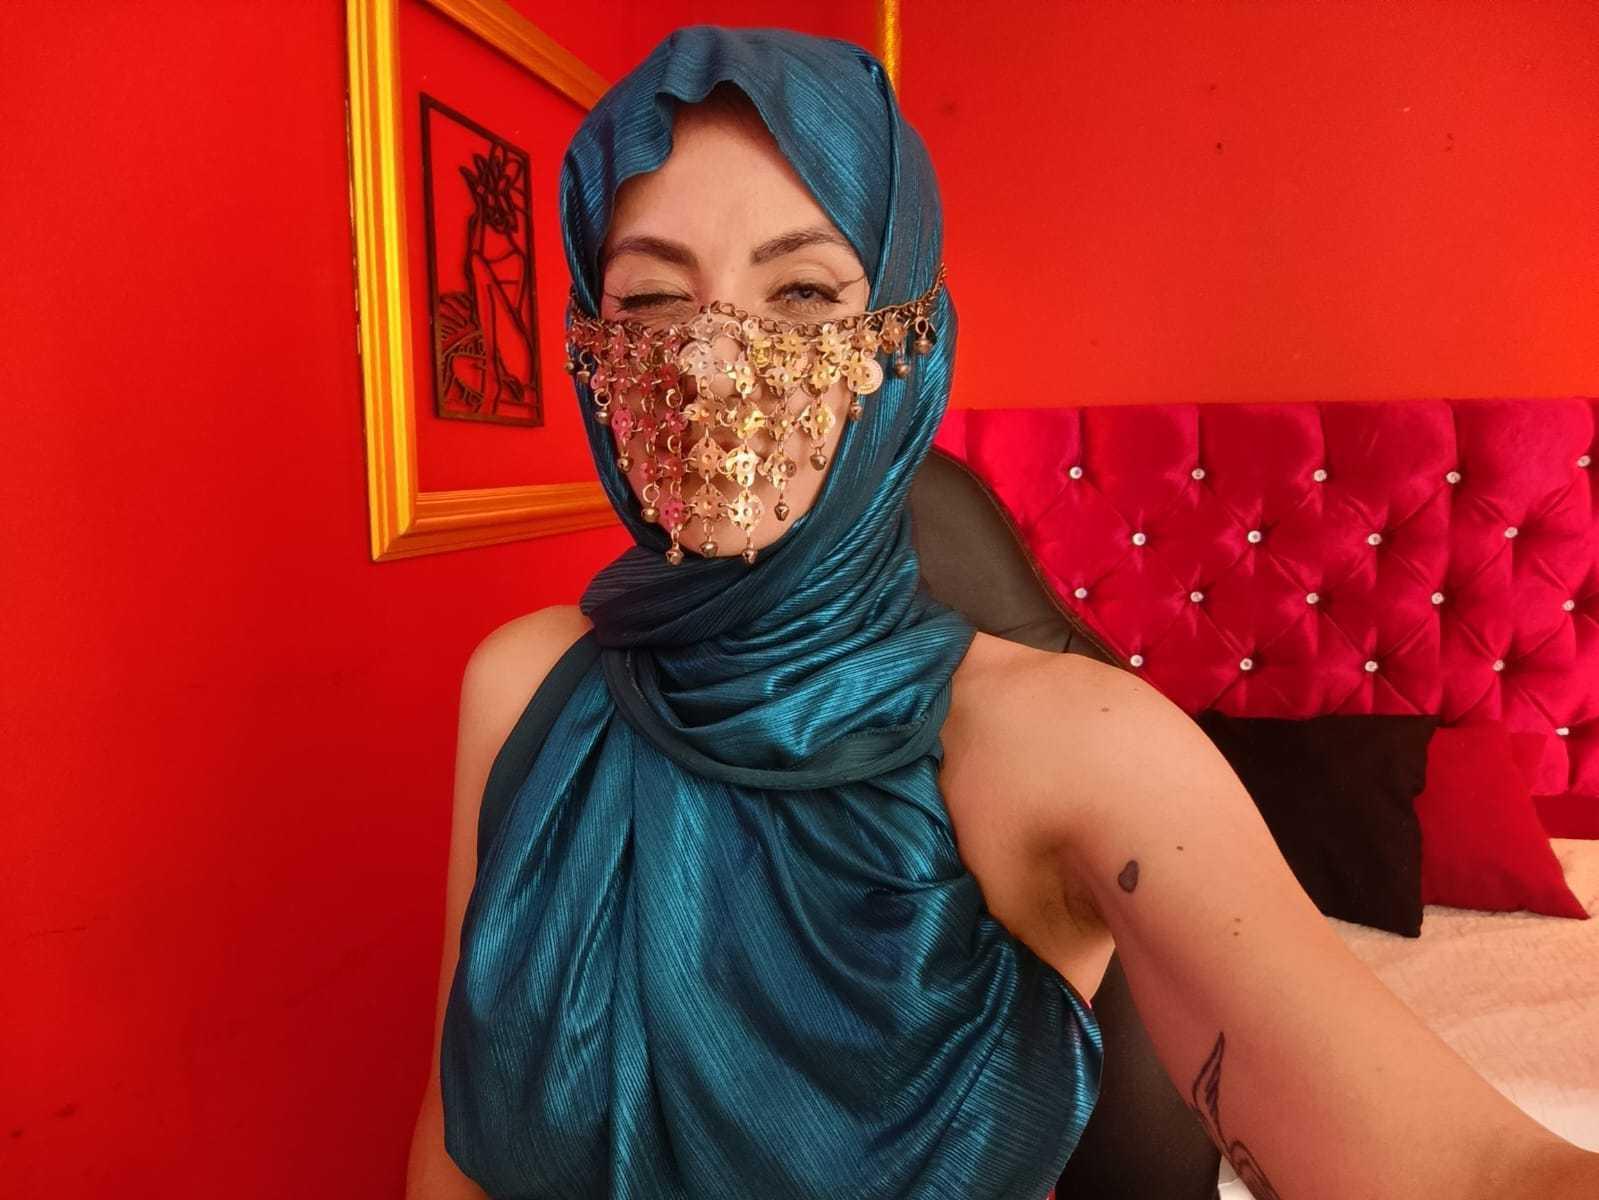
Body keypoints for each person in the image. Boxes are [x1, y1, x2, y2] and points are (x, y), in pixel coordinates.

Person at [407, 25, 1599, 1200]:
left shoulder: (1070, 745)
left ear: (908, 343)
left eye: (805, 291)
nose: (716, 366)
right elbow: (455, 1142)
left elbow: (1468, 1168)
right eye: (655, 301)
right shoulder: (520, 691)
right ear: (590, 344)